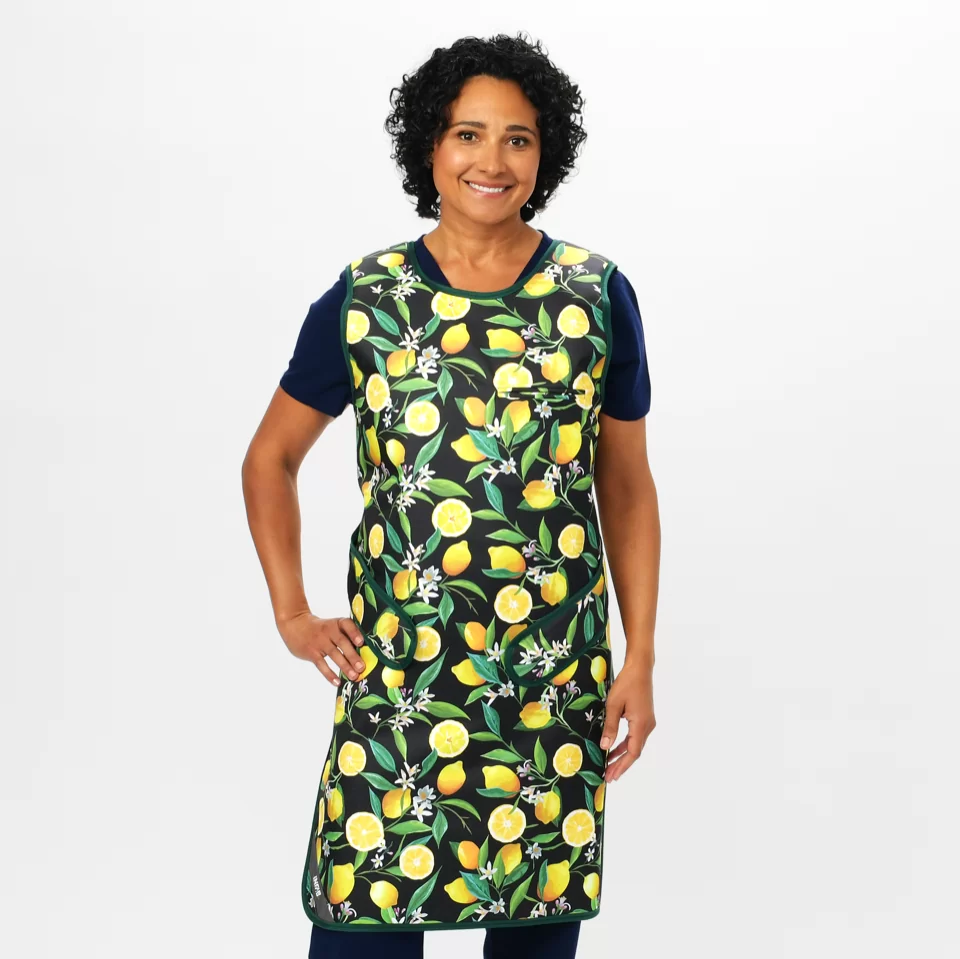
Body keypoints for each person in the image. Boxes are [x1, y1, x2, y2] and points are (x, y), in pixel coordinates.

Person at [241, 32, 660, 959]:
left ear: (546, 154)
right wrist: (293, 613)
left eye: (519, 138)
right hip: (400, 679)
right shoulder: (367, 298)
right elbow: (269, 458)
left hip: (550, 681)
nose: (492, 160)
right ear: (429, 145)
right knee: (360, 920)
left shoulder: (596, 296)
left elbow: (627, 485)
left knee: (535, 932)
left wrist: (639, 658)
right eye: (468, 134)